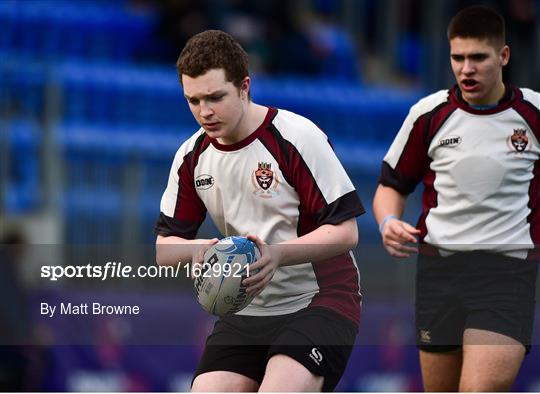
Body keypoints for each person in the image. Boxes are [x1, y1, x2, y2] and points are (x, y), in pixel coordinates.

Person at [154, 30, 365, 392]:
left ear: (244, 87)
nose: (204, 111)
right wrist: (198, 249)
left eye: (215, 97)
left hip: (318, 301)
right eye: (193, 100)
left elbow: (347, 232)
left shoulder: (298, 137)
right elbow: (164, 249)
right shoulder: (191, 157)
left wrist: (277, 255)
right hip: (245, 309)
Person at [373, 5, 539, 392]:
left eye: (478, 57)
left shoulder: (533, 114)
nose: (467, 68)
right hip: (439, 274)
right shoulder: (428, 114)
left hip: (507, 274)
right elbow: (391, 186)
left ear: (503, 56)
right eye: (458, 57)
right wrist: (387, 222)